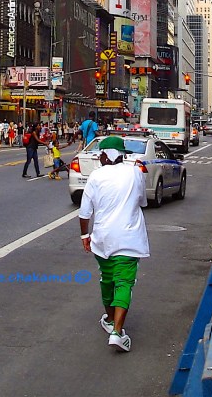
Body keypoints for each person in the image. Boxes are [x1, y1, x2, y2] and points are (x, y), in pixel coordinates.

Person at [78, 135, 150, 353]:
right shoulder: (135, 173)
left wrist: (85, 236)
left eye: (100, 153)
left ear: (104, 155)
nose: (99, 157)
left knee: (107, 280)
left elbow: (84, 213)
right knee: (124, 283)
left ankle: (110, 320)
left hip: (103, 238)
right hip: (129, 239)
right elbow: (142, 201)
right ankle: (117, 332)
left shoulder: (96, 176)